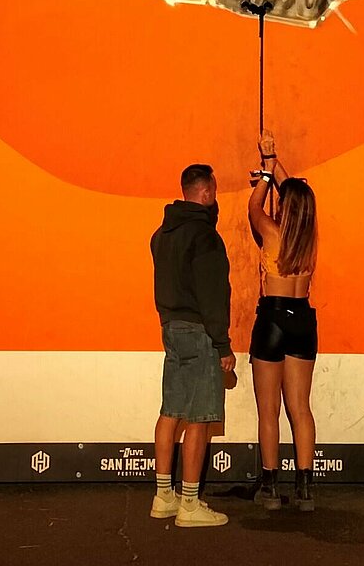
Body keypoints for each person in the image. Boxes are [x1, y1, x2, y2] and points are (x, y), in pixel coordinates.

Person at [150, 162, 236, 527]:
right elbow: (213, 295)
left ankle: (163, 496)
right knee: (199, 418)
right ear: (206, 192)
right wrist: (223, 345)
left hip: (170, 328)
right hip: (200, 332)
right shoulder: (205, 237)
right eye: (214, 191)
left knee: (170, 411)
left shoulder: (161, 234)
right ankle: (189, 504)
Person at [247, 135, 319, 512]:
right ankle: (305, 491)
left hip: (273, 317)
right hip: (303, 318)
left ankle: (271, 489)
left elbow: (254, 206)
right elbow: (293, 193)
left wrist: (265, 174)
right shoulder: (309, 241)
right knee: (300, 409)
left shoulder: (272, 234)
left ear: (287, 206)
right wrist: (274, 161)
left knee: (269, 410)